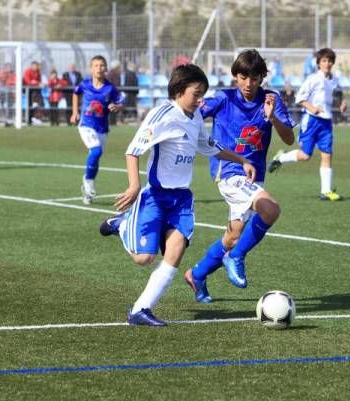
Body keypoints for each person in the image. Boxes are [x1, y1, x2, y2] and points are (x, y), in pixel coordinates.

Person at [99, 64, 256, 326]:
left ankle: (140, 310)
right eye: (196, 94)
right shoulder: (162, 115)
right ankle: (123, 223)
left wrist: (241, 160)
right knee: (144, 258)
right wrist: (134, 186)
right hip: (155, 197)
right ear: (180, 91)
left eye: (203, 94)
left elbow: (208, 146)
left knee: (174, 253)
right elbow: (132, 151)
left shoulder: (195, 118)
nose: (200, 100)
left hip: (181, 200)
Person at [183, 49, 295, 303]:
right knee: (271, 209)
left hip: (254, 177)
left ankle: (196, 274)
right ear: (235, 76)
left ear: (262, 78)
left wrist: (273, 117)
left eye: (254, 78)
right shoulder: (224, 98)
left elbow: (289, 139)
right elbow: (195, 110)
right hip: (230, 172)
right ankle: (235, 258)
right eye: (243, 77)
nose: (248, 83)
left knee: (233, 236)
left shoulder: (271, 99)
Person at [268, 48, 347, 202]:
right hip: (312, 120)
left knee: (327, 154)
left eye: (330, 61)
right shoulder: (313, 79)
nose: (327, 63)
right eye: (324, 61)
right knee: (305, 156)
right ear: (318, 63)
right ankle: (281, 158)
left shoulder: (335, 80)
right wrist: (313, 108)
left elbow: (338, 95)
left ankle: (326, 191)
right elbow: (300, 98)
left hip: (327, 122)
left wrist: (342, 103)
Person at [71, 55, 124, 205]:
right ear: (91, 68)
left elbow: (120, 102)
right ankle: (88, 181)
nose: (99, 68)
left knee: (95, 156)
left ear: (106, 68)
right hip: (86, 125)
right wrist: (74, 112)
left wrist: (117, 107)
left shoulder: (110, 88)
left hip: (102, 128)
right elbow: (75, 93)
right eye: (96, 65)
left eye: (102, 65)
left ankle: (87, 190)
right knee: (96, 151)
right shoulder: (85, 84)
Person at [23, 61, 43, 125]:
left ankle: (34, 118)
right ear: (32, 66)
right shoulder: (27, 71)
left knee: (37, 105)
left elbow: (39, 81)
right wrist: (35, 82)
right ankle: (29, 120)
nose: (36, 67)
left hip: (36, 91)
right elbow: (28, 81)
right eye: (34, 66)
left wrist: (36, 83)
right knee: (29, 105)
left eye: (36, 66)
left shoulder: (38, 72)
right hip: (29, 91)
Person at [106, 60, 122, 125]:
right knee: (111, 107)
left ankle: (113, 122)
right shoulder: (111, 74)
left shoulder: (116, 74)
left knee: (114, 107)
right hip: (111, 93)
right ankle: (111, 122)